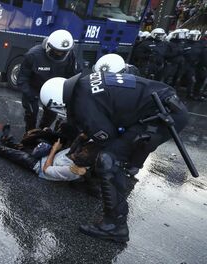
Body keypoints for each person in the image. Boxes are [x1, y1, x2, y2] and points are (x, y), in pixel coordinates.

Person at [39, 72, 189, 242]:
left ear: (58, 102)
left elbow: (107, 138)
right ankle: (118, 186)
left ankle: (115, 226)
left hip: (162, 116)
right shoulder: (85, 82)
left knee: (108, 159)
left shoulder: (83, 106)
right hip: (164, 104)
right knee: (115, 152)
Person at [17, 29, 79, 132]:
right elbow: (22, 79)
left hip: (53, 90)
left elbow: (74, 74)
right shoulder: (33, 55)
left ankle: (42, 131)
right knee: (32, 112)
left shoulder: (70, 56)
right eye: (57, 51)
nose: (59, 54)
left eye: (63, 53)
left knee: (51, 114)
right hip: (33, 88)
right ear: (49, 47)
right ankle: (30, 131)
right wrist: (30, 94)